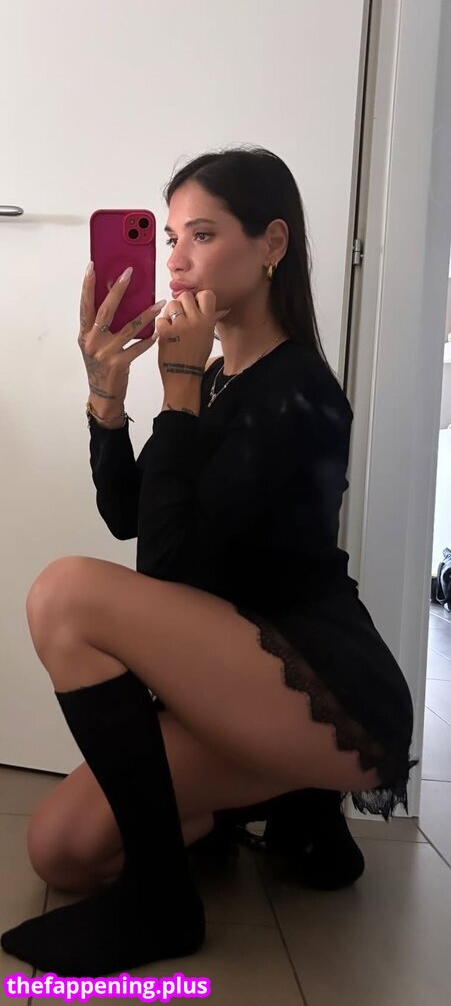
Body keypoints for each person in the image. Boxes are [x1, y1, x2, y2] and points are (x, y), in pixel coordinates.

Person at [1, 146, 418, 978]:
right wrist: (109, 401)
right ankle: (283, 810)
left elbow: (166, 572)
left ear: (271, 245)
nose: (176, 260)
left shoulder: (300, 394)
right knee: (62, 851)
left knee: (65, 594)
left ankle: (165, 899)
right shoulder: (222, 377)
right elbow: (132, 514)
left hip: (324, 688)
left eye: (202, 234)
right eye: (169, 237)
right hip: (233, 674)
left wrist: (180, 388)